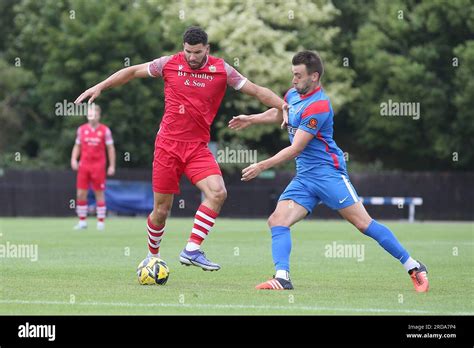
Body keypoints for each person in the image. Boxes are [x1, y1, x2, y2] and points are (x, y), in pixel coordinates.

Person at [75, 26, 287, 271]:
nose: (192, 57)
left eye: (197, 52)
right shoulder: (168, 64)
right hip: (167, 147)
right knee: (161, 210)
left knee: (218, 193)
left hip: (197, 148)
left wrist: (285, 107)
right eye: (188, 51)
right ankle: (152, 255)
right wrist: (101, 86)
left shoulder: (222, 70)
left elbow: (258, 91)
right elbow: (132, 71)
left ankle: (192, 250)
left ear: (207, 49)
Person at [229, 50, 429, 292]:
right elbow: (282, 111)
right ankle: (282, 278)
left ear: (314, 76)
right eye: (292, 74)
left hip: (328, 175)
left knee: (364, 224)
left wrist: (261, 165)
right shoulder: (294, 94)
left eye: (298, 75)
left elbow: (296, 147)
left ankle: (414, 266)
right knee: (277, 220)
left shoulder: (319, 105)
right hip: (305, 178)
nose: (293, 80)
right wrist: (251, 119)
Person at [71, 104, 116, 231]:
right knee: (80, 194)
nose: (92, 117)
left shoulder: (105, 130)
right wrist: (74, 159)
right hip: (84, 165)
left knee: (99, 193)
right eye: (90, 114)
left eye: (94, 114)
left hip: (98, 166)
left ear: (99, 115)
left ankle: (100, 222)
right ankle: (82, 222)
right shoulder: (81, 129)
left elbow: (110, 148)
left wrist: (112, 165)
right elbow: (77, 146)